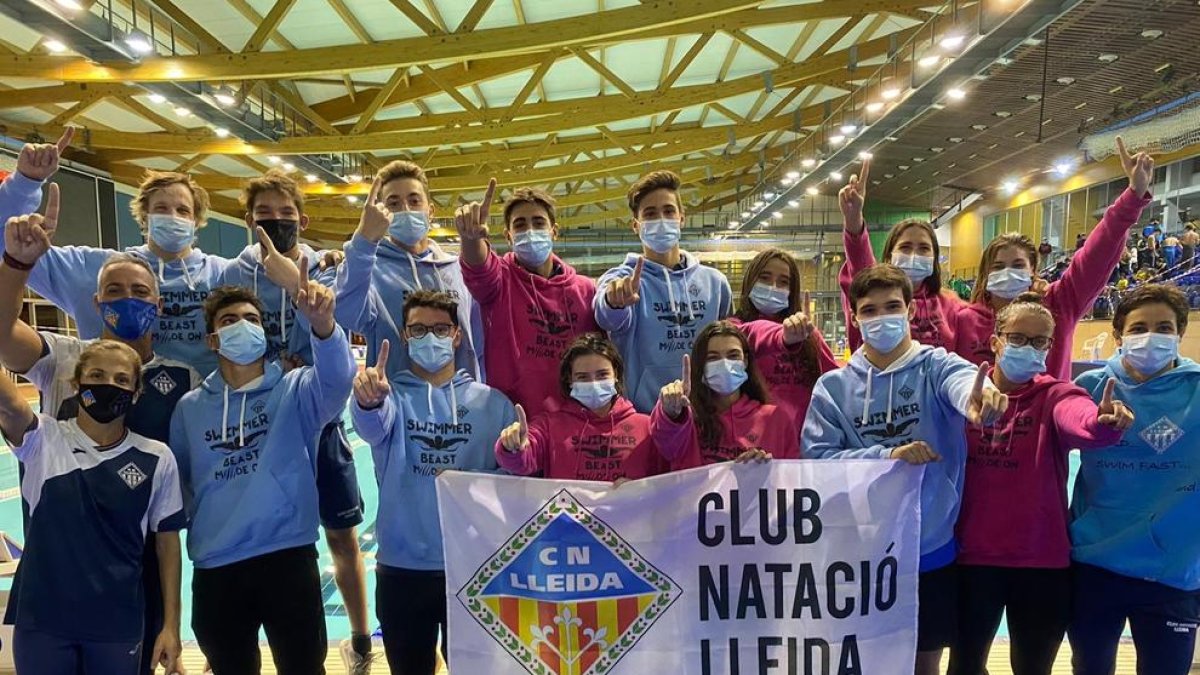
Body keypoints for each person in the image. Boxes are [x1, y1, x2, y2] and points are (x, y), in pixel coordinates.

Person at [0, 188, 200, 675]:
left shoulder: (186, 379)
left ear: (157, 302)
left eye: (138, 292)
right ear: (95, 302)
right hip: (58, 566)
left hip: (140, 569)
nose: (126, 300)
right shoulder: (62, 359)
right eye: (113, 291)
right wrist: (15, 265)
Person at [802, 264, 1009, 675]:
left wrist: (979, 396)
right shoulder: (833, 388)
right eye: (870, 310)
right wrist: (886, 457)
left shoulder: (936, 367)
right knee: (859, 662)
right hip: (860, 554)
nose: (882, 318)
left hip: (928, 549)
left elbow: (963, 382)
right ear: (856, 317)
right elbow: (817, 462)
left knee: (924, 665)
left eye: (892, 306)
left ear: (910, 310)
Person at [222, 170, 373, 671]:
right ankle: (231, 636)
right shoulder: (230, 274)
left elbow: (342, 318)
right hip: (258, 422)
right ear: (248, 220)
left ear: (303, 219)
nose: (276, 221)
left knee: (341, 532)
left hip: (317, 416)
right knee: (251, 528)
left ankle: (358, 637)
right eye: (265, 214)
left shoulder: (322, 270)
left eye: (286, 214)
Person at [169, 279, 355, 673]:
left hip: (287, 556)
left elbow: (338, 380)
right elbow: (183, 487)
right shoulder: (189, 408)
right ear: (213, 340)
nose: (242, 325)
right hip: (216, 565)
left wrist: (324, 326)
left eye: (251, 319)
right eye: (230, 319)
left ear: (264, 332)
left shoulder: (296, 389)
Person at [949, 297, 1134, 675]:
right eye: (1017, 338)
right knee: (964, 667)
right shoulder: (960, 393)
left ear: (1050, 347)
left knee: (1033, 669)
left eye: (1040, 341)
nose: (1028, 348)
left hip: (1041, 563)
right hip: (972, 560)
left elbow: (1079, 418)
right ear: (996, 341)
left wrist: (1102, 423)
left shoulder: (1056, 395)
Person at [350, 290, 516, 674]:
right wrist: (368, 402)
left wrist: (519, 455)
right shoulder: (392, 398)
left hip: (474, 567)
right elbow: (371, 427)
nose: (431, 337)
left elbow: (511, 483)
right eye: (419, 329)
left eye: (440, 328)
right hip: (403, 568)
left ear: (457, 336)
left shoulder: (494, 404)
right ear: (406, 336)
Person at [0, 338, 185, 675]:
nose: (108, 386)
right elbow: (9, 404)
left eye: (121, 380)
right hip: (44, 619)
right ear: (77, 384)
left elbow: (168, 545)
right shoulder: (43, 439)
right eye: (97, 376)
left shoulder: (157, 457)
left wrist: (171, 625)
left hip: (116, 621)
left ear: (136, 393)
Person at [1068, 284, 1200, 675]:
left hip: (1173, 572)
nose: (1152, 336)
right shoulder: (1090, 388)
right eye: (1140, 326)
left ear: (1179, 334)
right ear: (1119, 335)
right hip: (1095, 563)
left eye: (1163, 327)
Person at [956, 138, 1154, 378]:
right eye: (998, 267)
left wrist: (1132, 198)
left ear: (1032, 271)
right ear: (986, 275)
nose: (1008, 271)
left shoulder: (1060, 304)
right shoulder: (964, 321)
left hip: (1052, 414)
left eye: (1018, 265)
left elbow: (1094, 258)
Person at [593, 170, 732, 412]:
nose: (661, 219)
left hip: (706, 416)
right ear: (635, 226)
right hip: (645, 417)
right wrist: (615, 301)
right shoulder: (621, 279)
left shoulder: (716, 283)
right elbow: (606, 316)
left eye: (668, 211)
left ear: (682, 219)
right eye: (650, 214)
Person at [456, 181, 598, 416]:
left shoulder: (585, 290)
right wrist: (471, 238)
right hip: (513, 421)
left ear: (554, 230)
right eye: (520, 225)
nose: (530, 230)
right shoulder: (499, 280)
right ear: (508, 236)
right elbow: (478, 269)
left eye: (539, 222)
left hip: (572, 422)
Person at [336, 160, 483, 382]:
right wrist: (363, 241)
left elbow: (477, 344)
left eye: (414, 201)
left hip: (461, 408)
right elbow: (345, 313)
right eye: (393, 203)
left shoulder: (458, 270)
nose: (405, 209)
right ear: (383, 213)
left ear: (430, 211)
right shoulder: (370, 270)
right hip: (396, 405)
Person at [495, 332, 664, 481]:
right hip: (569, 517)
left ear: (617, 374)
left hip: (630, 516)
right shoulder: (548, 427)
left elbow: (669, 475)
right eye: (583, 377)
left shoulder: (646, 426)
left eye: (602, 375)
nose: (594, 383)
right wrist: (512, 448)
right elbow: (521, 463)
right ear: (570, 380)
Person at [837, 159, 964, 352]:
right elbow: (860, 265)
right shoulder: (873, 295)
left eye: (923, 248)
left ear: (934, 258)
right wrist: (853, 217)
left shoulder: (953, 306)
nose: (914, 254)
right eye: (905, 247)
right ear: (889, 256)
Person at [651, 321, 798, 469]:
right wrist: (670, 414)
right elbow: (666, 444)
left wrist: (765, 471)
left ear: (745, 361)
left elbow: (792, 477)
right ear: (701, 365)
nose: (725, 364)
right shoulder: (686, 419)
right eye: (713, 358)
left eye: (733, 355)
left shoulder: (776, 419)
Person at [729, 248, 837, 431]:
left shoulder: (808, 335)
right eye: (764, 278)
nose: (773, 286)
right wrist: (782, 337)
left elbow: (835, 382)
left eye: (783, 282)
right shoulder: (733, 330)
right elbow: (752, 331)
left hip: (803, 443)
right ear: (750, 281)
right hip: (755, 443)